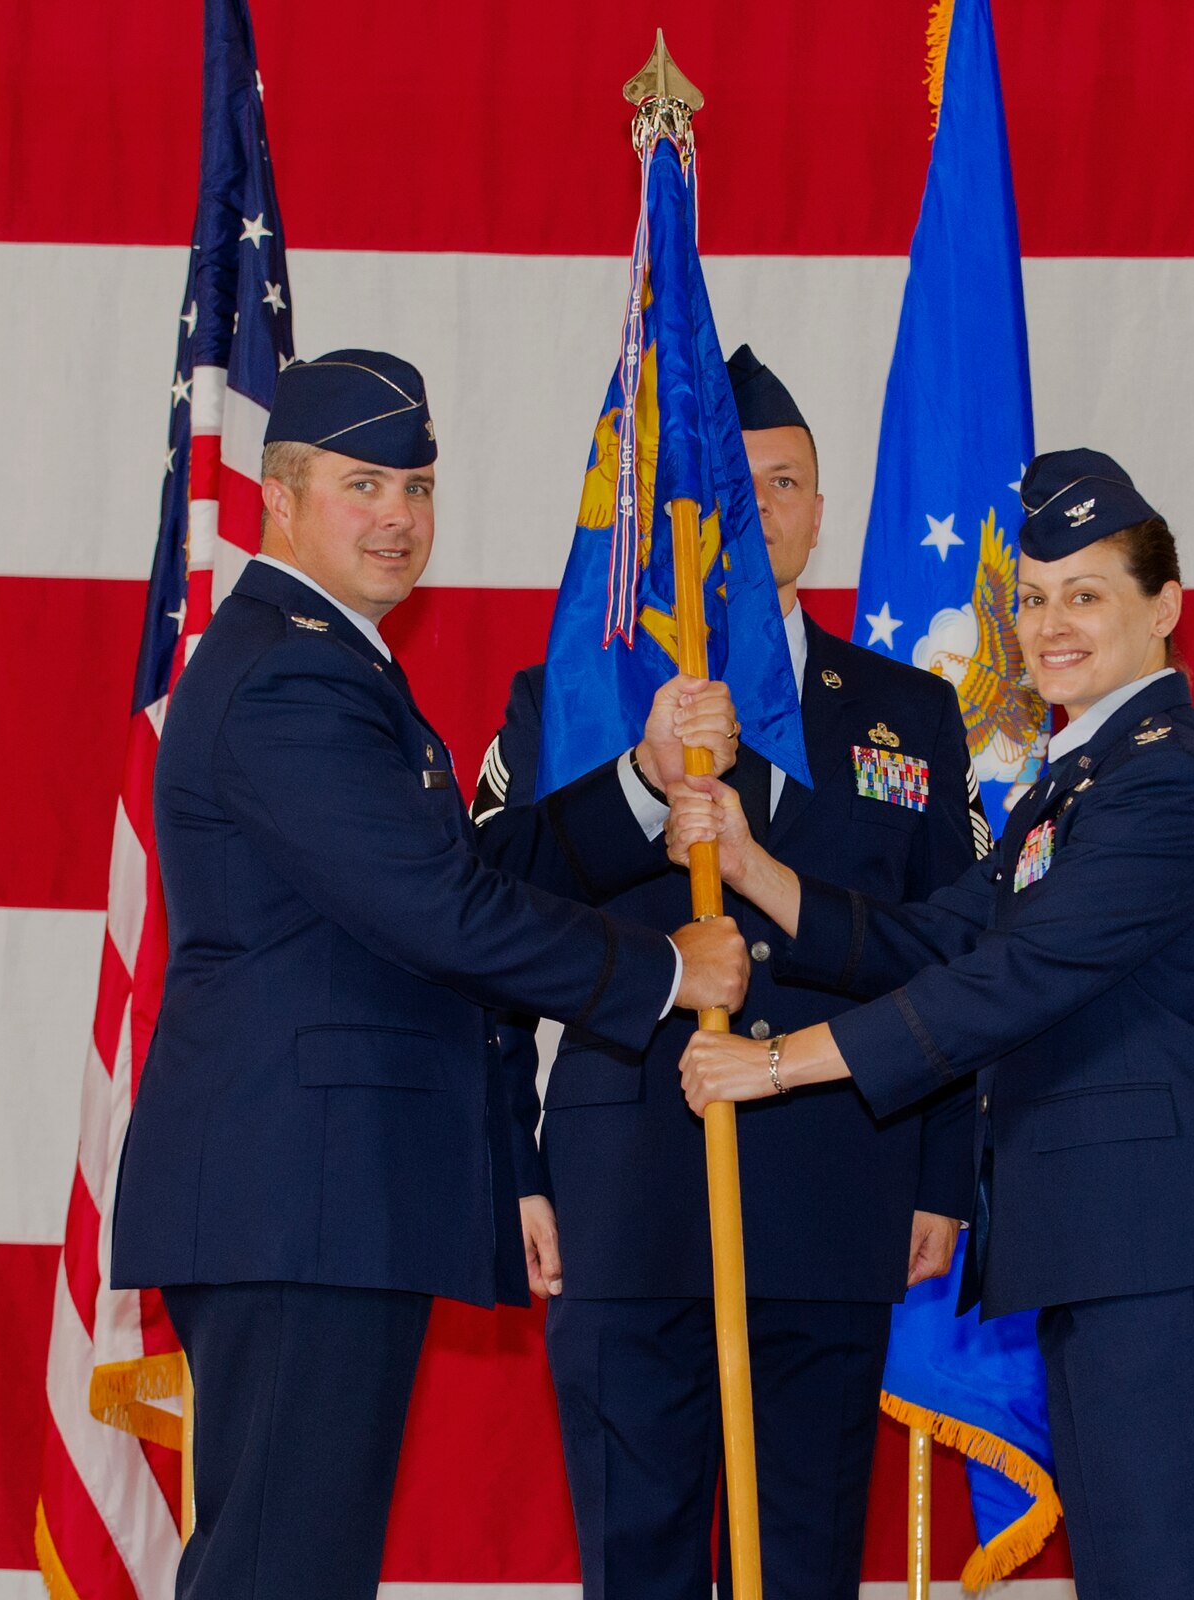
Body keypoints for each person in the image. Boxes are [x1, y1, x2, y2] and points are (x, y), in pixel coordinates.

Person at [109, 349, 750, 1600]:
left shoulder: (334, 660)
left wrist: (638, 786)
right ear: (279, 496)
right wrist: (663, 970)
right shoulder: (291, 672)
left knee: (298, 1564)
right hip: (302, 1194)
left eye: (415, 483)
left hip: (325, 1192)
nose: (399, 513)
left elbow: (460, 869)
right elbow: (439, 909)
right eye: (363, 483)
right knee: (280, 1571)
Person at [669, 449, 1194, 1600]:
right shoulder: (1080, 782)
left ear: (1164, 607)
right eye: (1031, 595)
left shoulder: (1163, 786)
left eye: (1086, 593)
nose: (1049, 623)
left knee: (1177, 1575)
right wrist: (757, 868)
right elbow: (939, 936)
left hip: (1164, 1251)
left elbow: (1008, 981)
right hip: (1107, 1245)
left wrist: (773, 1064)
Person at [468, 346, 989, 1600]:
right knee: (634, 1557)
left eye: (783, 484)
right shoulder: (579, 699)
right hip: (623, 1188)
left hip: (834, 1177)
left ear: (818, 509)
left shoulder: (904, 714)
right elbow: (481, 924)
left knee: (801, 1559)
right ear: (673, 525)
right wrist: (516, 1169)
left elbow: (955, 953)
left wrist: (939, 1175)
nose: (754, 511)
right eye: (725, 487)